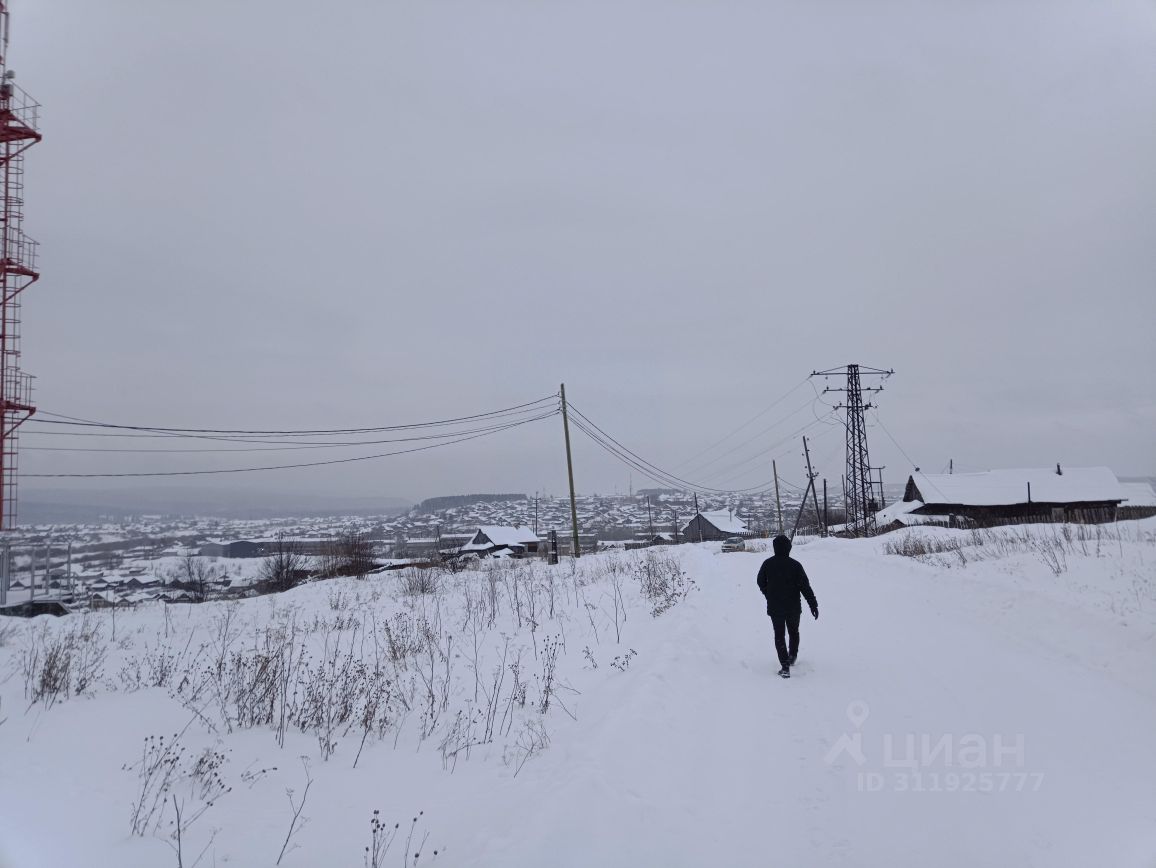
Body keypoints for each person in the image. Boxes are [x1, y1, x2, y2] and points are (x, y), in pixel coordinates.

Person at [756, 534, 818, 678]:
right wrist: (813, 605)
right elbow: (805, 587)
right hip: (793, 607)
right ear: (789, 548)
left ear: (775, 548)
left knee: (779, 635)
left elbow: (760, 581)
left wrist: (768, 594)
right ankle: (792, 656)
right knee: (794, 632)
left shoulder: (768, 564)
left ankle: (785, 666)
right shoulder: (795, 565)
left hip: (775, 607)